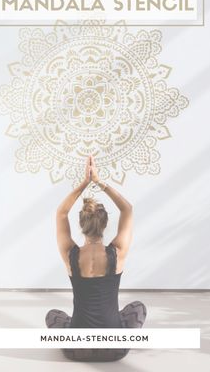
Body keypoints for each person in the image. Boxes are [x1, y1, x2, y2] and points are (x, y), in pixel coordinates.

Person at [45, 155, 147, 361]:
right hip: (115, 350)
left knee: (53, 315)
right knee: (138, 307)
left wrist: (84, 183)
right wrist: (99, 182)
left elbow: (61, 212)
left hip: (76, 350)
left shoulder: (70, 254)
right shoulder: (117, 252)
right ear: (105, 224)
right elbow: (127, 209)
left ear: (81, 224)